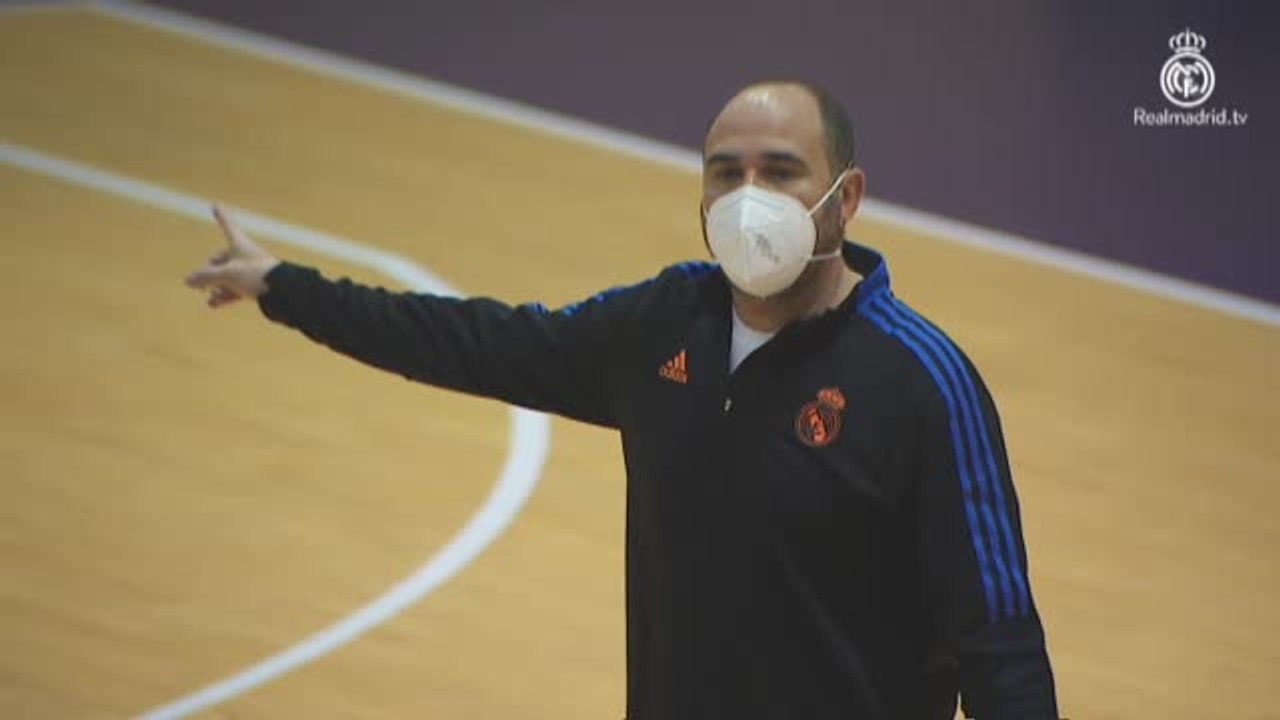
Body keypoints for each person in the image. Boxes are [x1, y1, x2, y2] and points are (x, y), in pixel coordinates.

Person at [185, 81, 1058, 719]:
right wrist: (285, 288)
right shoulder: (663, 325)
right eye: (725, 174)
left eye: (782, 172)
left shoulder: (922, 382)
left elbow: (1000, 646)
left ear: (847, 198)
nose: (748, 197)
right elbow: (472, 341)